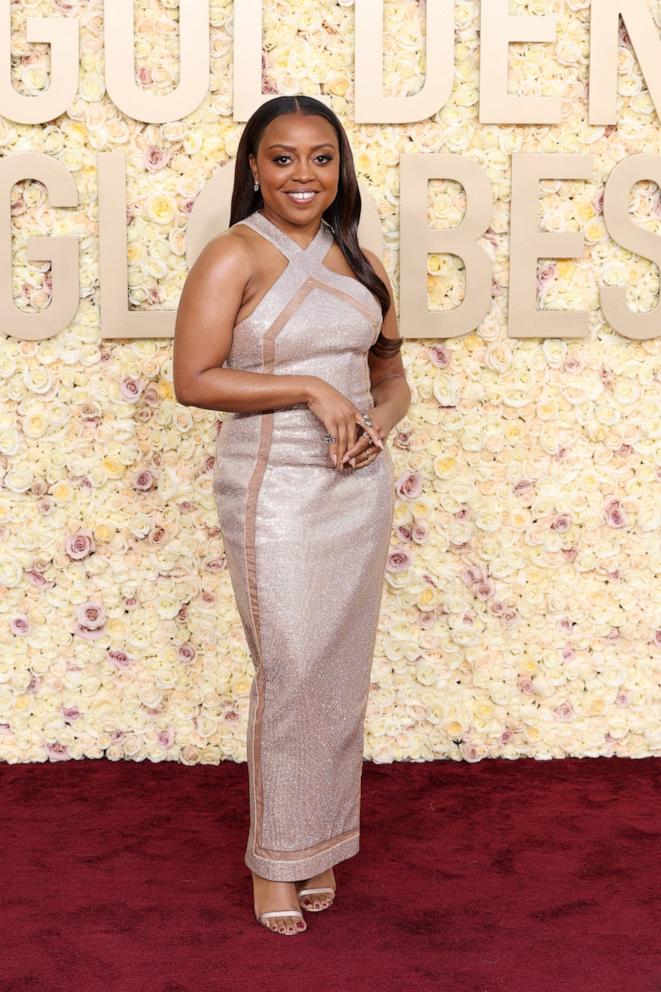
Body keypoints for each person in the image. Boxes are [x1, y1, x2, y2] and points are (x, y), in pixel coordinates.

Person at [173, 95, 411, 935]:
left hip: (354, 489)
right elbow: (194, 379)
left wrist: (374, 430)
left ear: (339, 169)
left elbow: (390, 377)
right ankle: (274, 862)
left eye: (320, 158)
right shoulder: (231, 255)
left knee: (336, 673)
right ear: (253, 167)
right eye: (282, 158)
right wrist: (311, 388)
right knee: (292, 665)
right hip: (272, 487)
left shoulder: (364, 261)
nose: (302, 175)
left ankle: (316, 845)